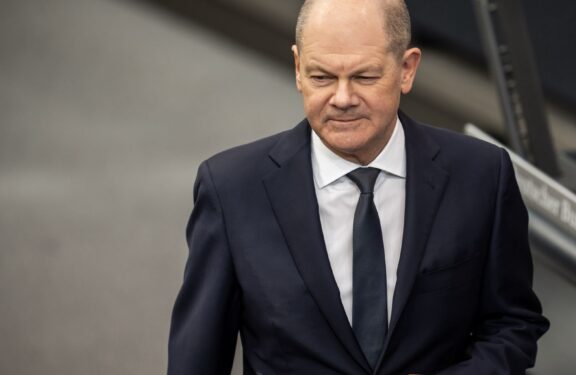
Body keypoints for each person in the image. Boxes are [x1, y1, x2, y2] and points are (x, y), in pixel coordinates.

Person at [167, 0, 549, 374]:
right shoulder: (232, 190)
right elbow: (197, 359)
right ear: (298, 68)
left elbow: (512, 324)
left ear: (407, 69)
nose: (343, 98)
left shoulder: (481, 174)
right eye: (321, 77)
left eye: (364, 77)